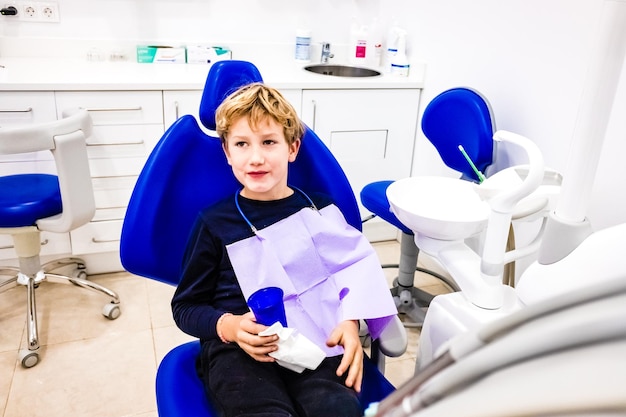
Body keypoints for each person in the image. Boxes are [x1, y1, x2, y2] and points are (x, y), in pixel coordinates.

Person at [172, 82, 396, 417]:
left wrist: (350, 323)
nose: (256, 157)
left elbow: (353, 271)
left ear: (292, 147)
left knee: (337, 410)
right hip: (241, 348)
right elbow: (185, 307)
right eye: (242, 144)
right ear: (227, 152)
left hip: (319, 340)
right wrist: (228, 326)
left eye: (269, 142)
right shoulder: (214, 223)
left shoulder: (318, 210)